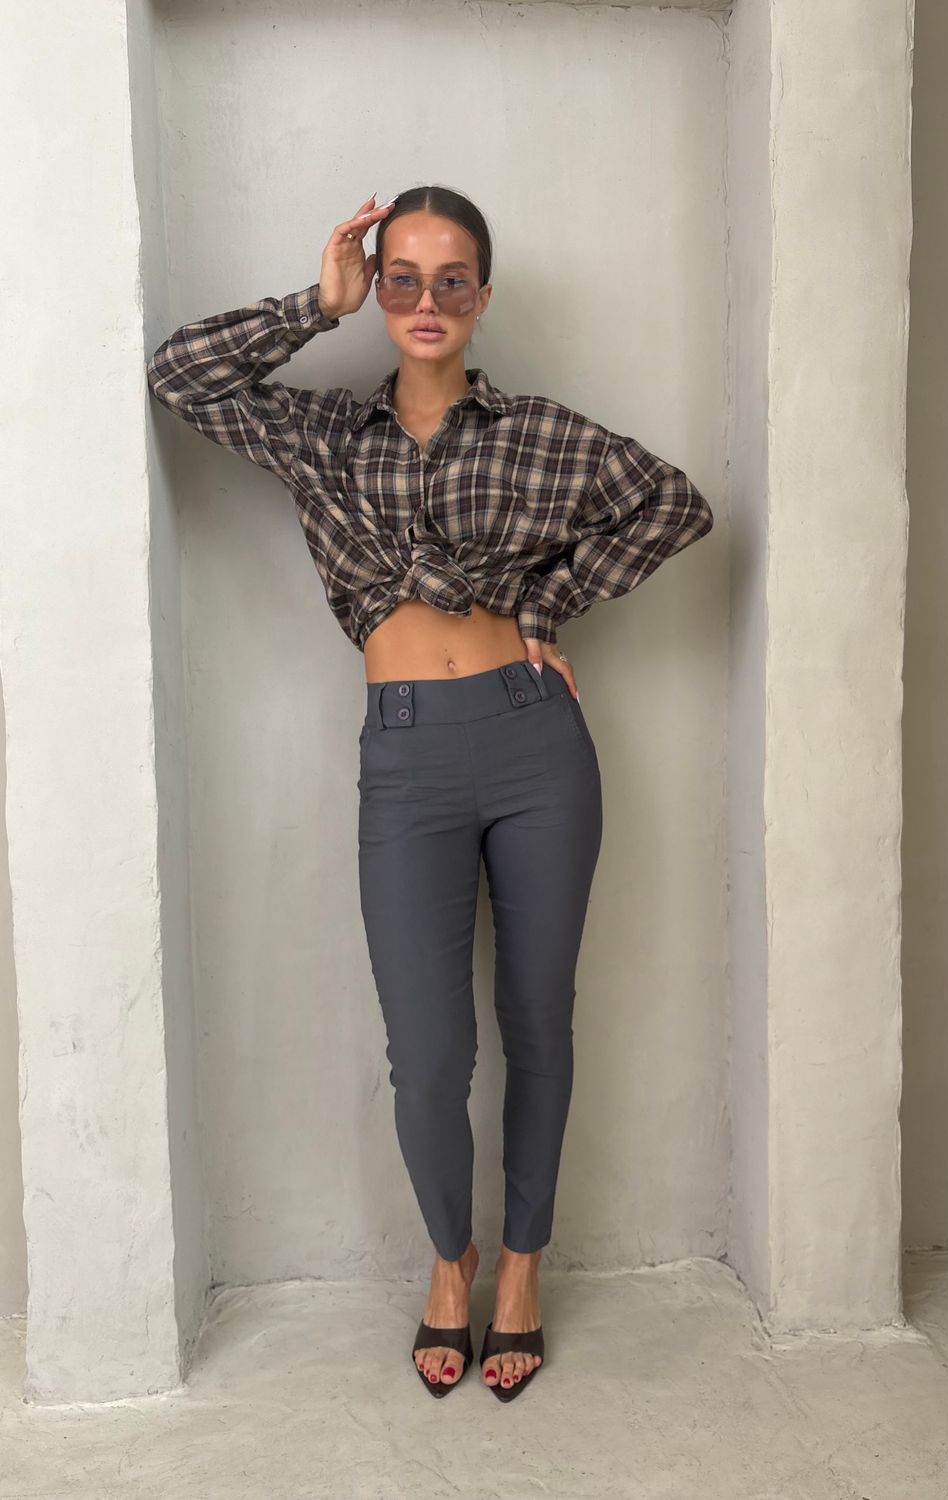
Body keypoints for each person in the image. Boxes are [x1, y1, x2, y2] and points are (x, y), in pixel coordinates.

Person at [146, 184, 714, 1402]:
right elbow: (180, 375)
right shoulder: (322, 436)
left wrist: (545, 605)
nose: (424, 300)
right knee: (427, 1052)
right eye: (400, 277)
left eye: (450, 279)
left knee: (539, 1022)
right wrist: (316, 304)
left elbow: (674, 503)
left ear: (481, 297)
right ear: (378, 289)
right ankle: (447, 1263)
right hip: (405, 756)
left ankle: (521, 1272)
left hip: (535, 741)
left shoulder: (538, 433)